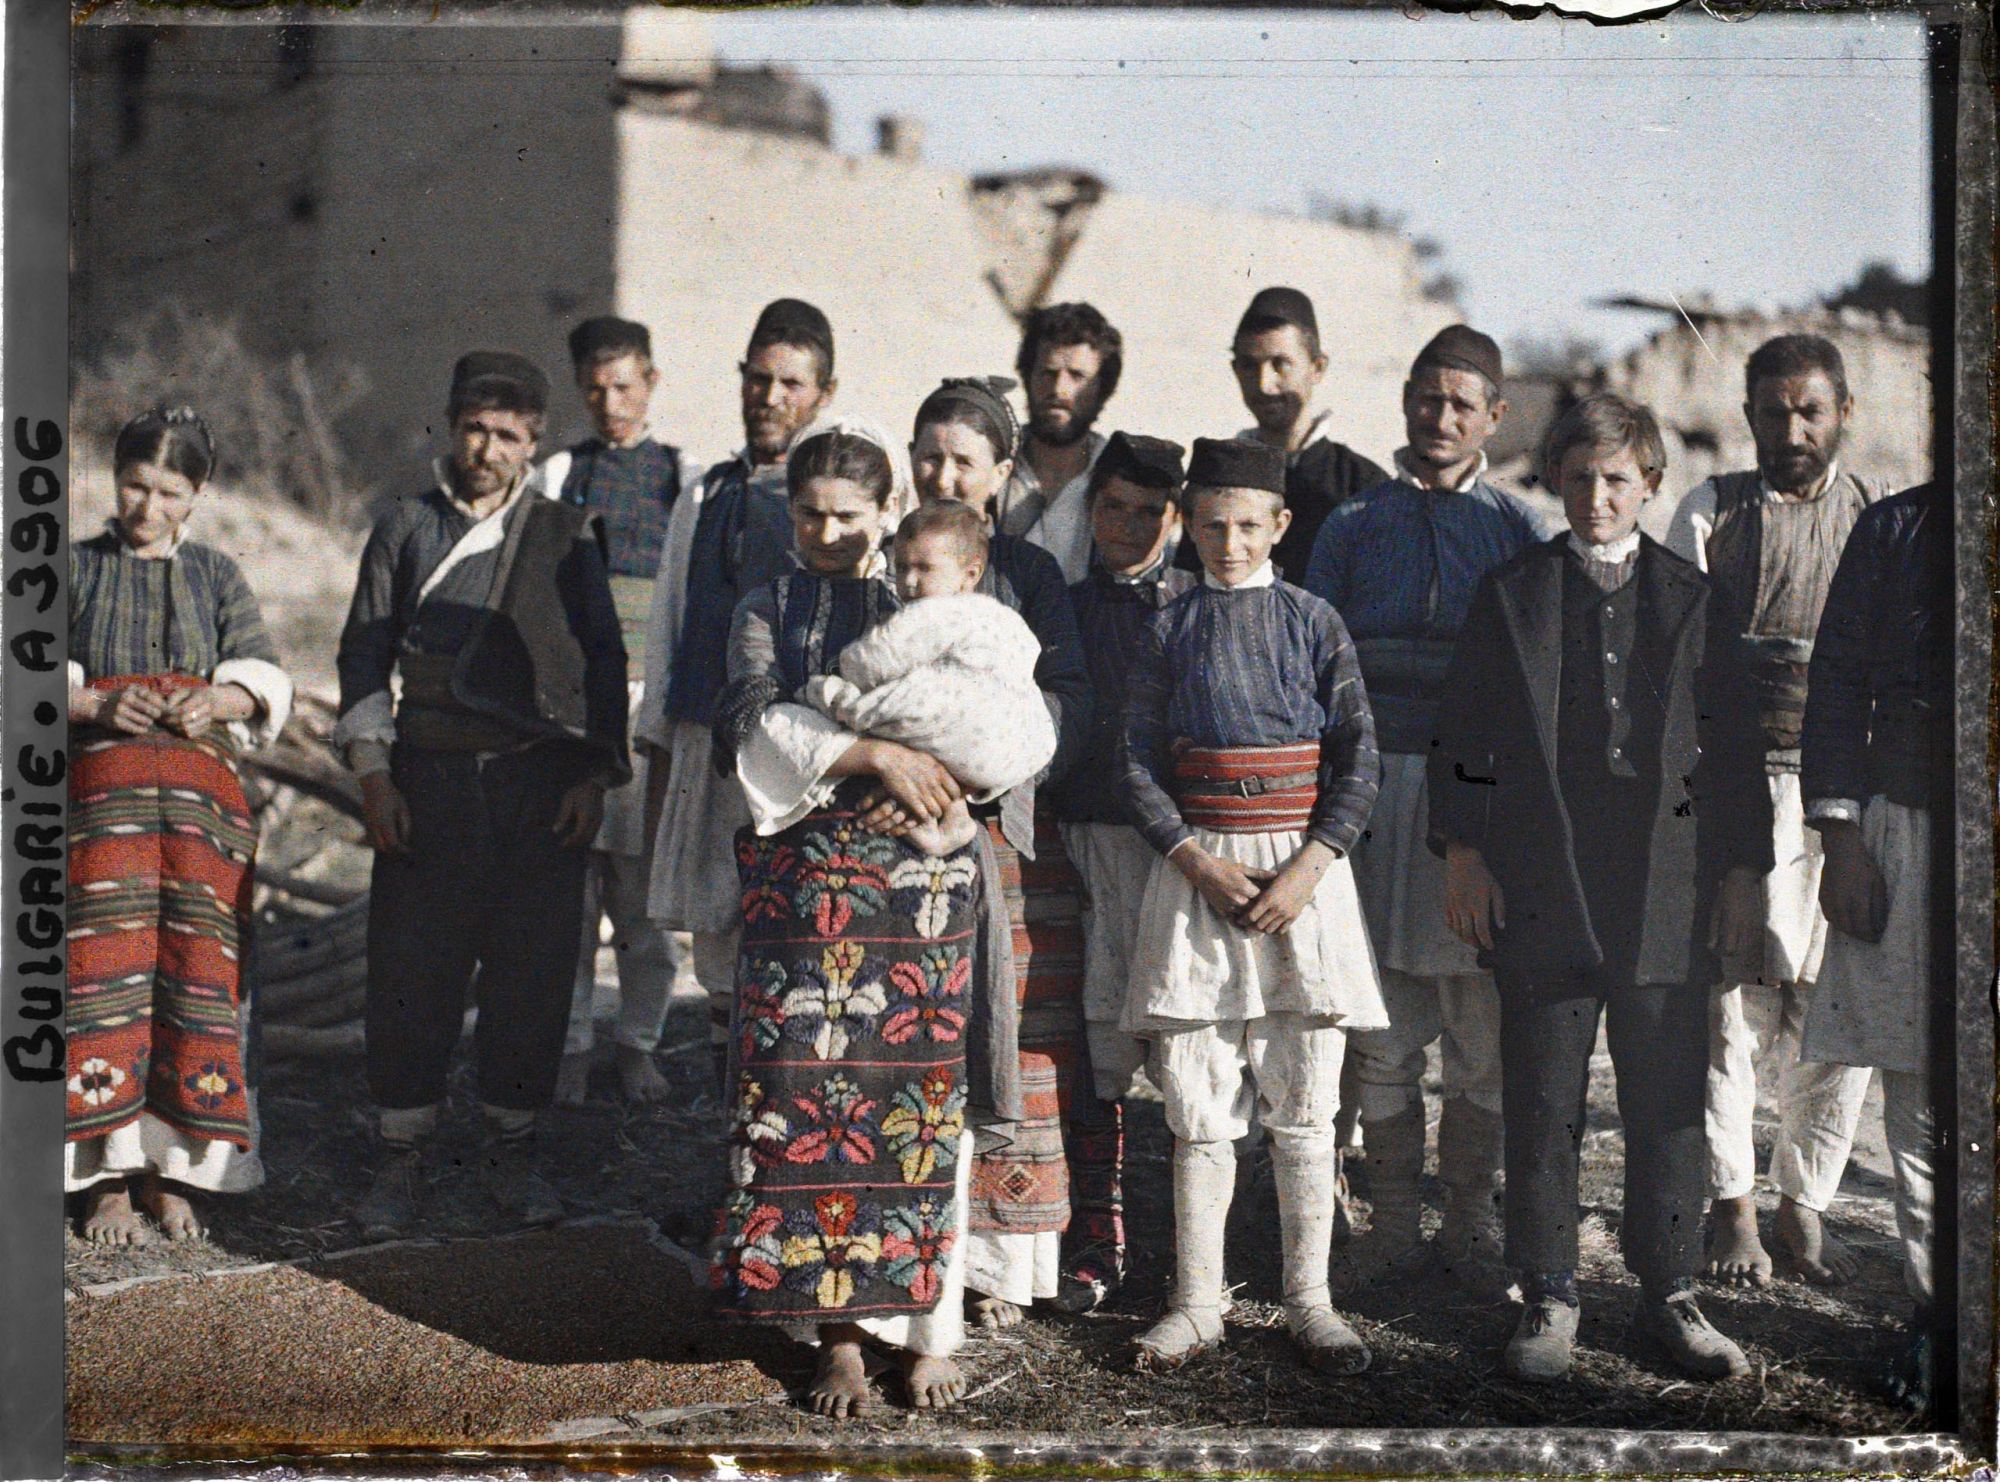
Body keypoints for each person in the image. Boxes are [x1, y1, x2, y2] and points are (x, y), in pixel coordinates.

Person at [1429, 393, 1769, 1382]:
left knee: (1666, 1089)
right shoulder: (1513, 594)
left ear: (1649, 488)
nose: (1593, 497)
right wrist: (1461, 850)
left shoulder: (1691, 601)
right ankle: (1547, 1294)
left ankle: (1668, 1293)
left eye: (1615, 480)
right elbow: (1462, 733)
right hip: (1545, 875)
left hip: (1664, 880)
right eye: (1576, 478)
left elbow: (1736, 755)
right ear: (1554, 483)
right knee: (1541, 1090)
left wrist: (1741, 873)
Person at [706, 422, 990, 1417]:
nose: (826, 531)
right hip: (801, 877)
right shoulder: (763, 605)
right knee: (810, 1096)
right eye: (808, 512)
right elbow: (747, 716)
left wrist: (929, 770)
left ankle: (923, 1331)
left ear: (881, 517)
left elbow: (974, 706)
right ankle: (835, 1341)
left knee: (911, 1098)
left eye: (847, 516)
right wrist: (869, 755)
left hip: (918, 877)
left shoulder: (910, 597)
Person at [335, 351, 629, 1237]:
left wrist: (591, 774)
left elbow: (604, 662)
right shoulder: (404, 528)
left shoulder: (566, 534)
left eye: (508, 435)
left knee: (530, 976)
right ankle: (401, 1159)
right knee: (411, 976)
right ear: (452, 425)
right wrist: (376, 775)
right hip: (426, 786)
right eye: (474, 429)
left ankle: (513, 1155)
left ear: (534, 440)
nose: (487, 448)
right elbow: (363, 655)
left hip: (538, 791)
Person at [1118, 436, 1385, 1374]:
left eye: (1247, 526)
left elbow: (1358, 755)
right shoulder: (1167, 627)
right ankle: (1198, 1304)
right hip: (1202, 880)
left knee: (1304, 1100)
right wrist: (1194, 859)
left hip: (1301, 881)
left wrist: (1312, 864)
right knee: (1198, 1100)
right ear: (1186, 527)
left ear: (1281, 525)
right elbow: (1138, 762)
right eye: (1210, 525)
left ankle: (1310, 1301)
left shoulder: (1316, 622)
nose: (1229, 543)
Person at [1303, 325, 1561, 1297]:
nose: (1439, 417)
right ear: (1403, 398)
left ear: (1494, 416)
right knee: (1380, 1026)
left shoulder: (1520, 526)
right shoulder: (1353, 522)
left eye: (1462, 403)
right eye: (1425, 396)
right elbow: (1314, 663)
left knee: (1480, 1030)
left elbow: (1540, 685)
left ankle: (1462, 1225)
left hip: (1479, 809)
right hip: (1369, 791)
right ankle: (1395, 1226)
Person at [1663, 334, 1893, 1289]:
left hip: (1840, 789)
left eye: (1810, 411)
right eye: (1772, 412)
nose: (1791, 430)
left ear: (1843, 412)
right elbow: (1675, 660)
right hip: (1730, 785)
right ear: (1747, 414)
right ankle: (1732, 1205)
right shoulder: (1711, 509)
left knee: (1833, 1009)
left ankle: (1806, 1205)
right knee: (1722, 1010)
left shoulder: (1876, 519)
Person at [66, 408, 294, 1246]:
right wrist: (92, 701)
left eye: (168, 492)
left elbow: (262, 670)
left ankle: (175, 1173)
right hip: (101, 823)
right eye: (134, 485)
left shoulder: (216, 575)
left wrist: (221, 697)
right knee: (102, 979)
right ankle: (106, 1183)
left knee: (194, 978)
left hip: (200, 829)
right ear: (114, 479)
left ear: (196, 495)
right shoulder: (74, 570)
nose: (147, 507)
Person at [907, 376, 1102, 1324]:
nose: (943, 474)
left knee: (1014, 1042)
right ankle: (910, 1255)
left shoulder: (1030, 573)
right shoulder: (888, 562)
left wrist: (993, 764)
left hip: (1006, 832)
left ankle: (1000, 1269)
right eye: (929, 456)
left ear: (1002, 472)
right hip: (899, 829)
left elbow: (1069, 696)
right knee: (914, 1042)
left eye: (964, 461)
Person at [637, 300, 839, 1080]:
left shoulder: (837, 498)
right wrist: (659, 742)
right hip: (705, 742)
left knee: (789, 936)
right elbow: (669, 623)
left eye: (791, 382)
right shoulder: (705, 491)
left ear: (821, 392)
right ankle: (731, 1140)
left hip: (793, 755)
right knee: (718, 939)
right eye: (759, 378)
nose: (771, 396)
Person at [1800, 480, 1947, 1409]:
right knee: (1925, 1101)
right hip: (1911, 827)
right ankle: (1943, 1327)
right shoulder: (1896, 526)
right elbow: (1839, 681)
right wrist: (1844, 837)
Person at [1045, 432, 1196, 1308]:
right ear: (1091, 509)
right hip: (1085, 844)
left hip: (1172, 853)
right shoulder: (1062, 605)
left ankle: (1188, 1252)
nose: (1129, 527)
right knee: (1098, 1049)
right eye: (1114, 507)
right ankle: (1100, 1245)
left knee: (1182, 1050)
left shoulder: (1192, 605)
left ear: (1174, 519)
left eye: (1149, 512)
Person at [538, 315, 691, 1107]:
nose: (611, 403)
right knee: (571, 895)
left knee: (641, 899)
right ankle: (568, 1047)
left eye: (625, 386)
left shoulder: (681, 475)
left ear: (652, 382)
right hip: (573, 709)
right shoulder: (561, 471)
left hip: (644, 708)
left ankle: (637, 1045)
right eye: (595, 389)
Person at [800, 501, 1056, 856]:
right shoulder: (1002, 616)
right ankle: (956, 817)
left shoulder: (935, 613)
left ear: (971, 574)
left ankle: (924, 818)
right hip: (1011, 749)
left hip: (968, 730)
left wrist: (842, 673)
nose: (909, 582)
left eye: (924, 568)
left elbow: (875, 659)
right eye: (902, 566)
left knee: (876, 709)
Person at [1226, 286, 1389, 584]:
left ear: (1317, 368)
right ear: (1235, 369)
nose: (1264, 384)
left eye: (1281, 364)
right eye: (1250, 365)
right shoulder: (1217, 478)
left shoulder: (1364, 486)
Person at [993, 303, 1123, 583]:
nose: (1058, 390)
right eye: (1047, 373)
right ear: (1028, 377)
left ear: (1102, 387)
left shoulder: (1117, 470)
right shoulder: (994, 462)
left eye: (1077, 376)